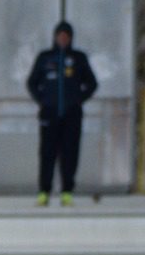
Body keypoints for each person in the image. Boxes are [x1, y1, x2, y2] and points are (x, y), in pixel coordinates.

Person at [27, 20, 97, 207]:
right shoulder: (45, 57)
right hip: (49, 114)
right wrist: (43, 100)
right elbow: (32, 82)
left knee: (70, 153)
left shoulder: (78, 58)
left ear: (71, 38)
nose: (63, 39)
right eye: (60, 35)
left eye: (66, 36)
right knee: (47, 153)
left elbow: (92, 83)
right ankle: (44, 191)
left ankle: (67, 191)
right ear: (55, 36)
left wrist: (78, 99)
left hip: (72, 114)